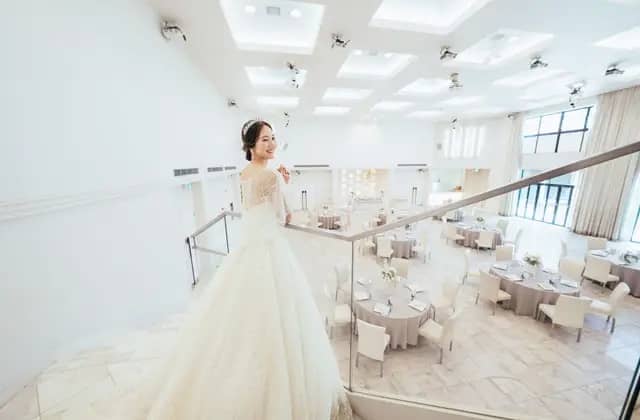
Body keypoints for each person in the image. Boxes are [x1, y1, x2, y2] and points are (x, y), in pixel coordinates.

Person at [125, 119, 352, 419]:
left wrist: (279, 183)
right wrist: (285, 184)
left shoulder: (243, 174)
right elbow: (284, 217)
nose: (271, 144)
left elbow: (252, 208)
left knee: (236, 318)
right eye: (264, 140)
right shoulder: (271, 175)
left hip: (248, 249)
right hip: (270, 249)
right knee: (279, 319)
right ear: (251, 146)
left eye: (273, 138)